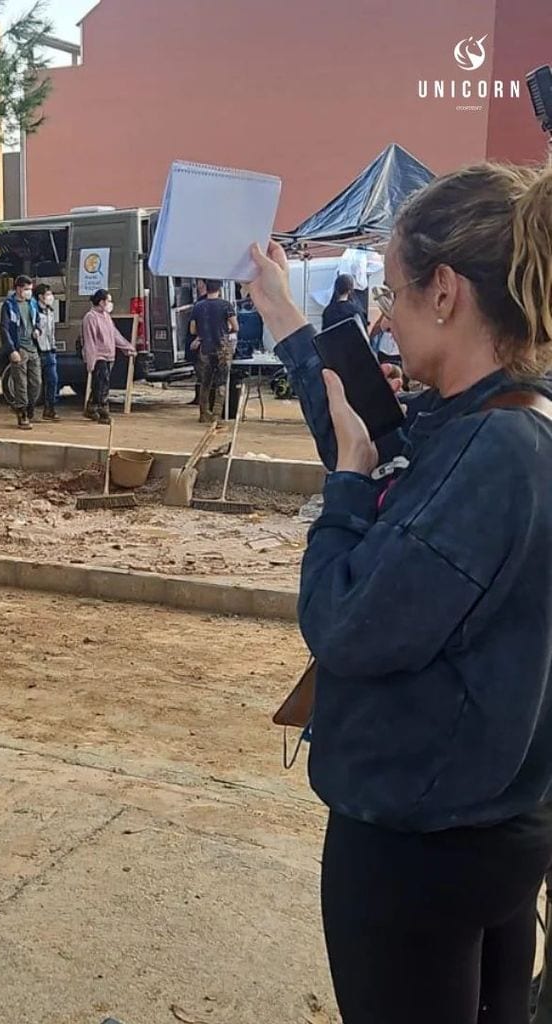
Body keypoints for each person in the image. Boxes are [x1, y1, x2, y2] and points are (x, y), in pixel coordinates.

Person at [245, 159, 552, 1024]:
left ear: (446, 292)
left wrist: (343, 491)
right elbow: (389, 446)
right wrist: (285, 315)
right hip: (494, 825)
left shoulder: (493, 454)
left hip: (420, 844)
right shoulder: (502, 417)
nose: (383, 315)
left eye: (394, 292)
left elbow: (346, 624)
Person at [81, 289, 136, 424]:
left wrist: (127, 348)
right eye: (109, 301)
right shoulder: (90, 317)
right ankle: (103, 411)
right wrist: (91, 360)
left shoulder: (106, 316)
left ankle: (91, 407)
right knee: (103, 384)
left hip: (109, 355)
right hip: (99, 356)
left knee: (99, 384)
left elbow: (115, 334)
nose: (111, 304)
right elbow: (90, 341)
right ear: (101, 302)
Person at [189, 279, 238, 426]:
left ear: (206, 287)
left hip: (205, 348)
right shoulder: (225, 305)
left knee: (205, 382)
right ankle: (216, 415)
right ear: (220, 289)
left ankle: (204, 413)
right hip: (222, 348)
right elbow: (235, 327)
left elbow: (192, 329)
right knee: (221, 382)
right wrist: (225, 329)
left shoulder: (198, 306)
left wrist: (202, 334)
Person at [0, 275, 42, 429]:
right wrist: (11, 349)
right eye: (26, 289)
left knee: (36, 382)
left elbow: (37, 320)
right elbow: (4, 329)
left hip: (33, 348)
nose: (28, 292)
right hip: (19, 349)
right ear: (18, 289)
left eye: (30, 290)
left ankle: (29, 408)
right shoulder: (9, 305)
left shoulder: (32, 303)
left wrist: (38, 330)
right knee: (21, 383)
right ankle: (22, 412)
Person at [33, 282, 60, 421]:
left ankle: (50, 408)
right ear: (40, 297)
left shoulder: (50, 311)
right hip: (37, 351)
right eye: (48, 294)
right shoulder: (33, 311)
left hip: (49, 350)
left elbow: (51, 332)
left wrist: (53, 346)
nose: (51, 297)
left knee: (53, 380)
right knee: (35, 383)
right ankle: (28, 410)